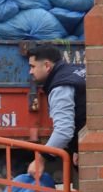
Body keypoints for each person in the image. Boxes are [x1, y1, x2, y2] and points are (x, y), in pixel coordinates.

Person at [26, 44, 86, 182]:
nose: (30, 71)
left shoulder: (60, 87)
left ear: (47, 66)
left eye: (33, 66)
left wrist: (40, 160)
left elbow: (64, 131)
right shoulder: (76, 70)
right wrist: (77, 147)